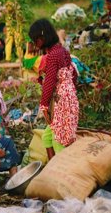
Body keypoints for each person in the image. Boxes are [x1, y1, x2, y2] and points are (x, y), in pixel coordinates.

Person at [29, 19, 78, 160]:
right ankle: (52, 166)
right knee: (47, 136)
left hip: (62, 102)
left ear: (42, 37)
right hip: (68, 98)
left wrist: (44, 105)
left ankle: (61, 170)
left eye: (35, 39)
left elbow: (49, 82)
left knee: (59, 141)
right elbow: (73, 74)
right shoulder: (62, 51)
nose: (34, 43)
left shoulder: (53, 55)